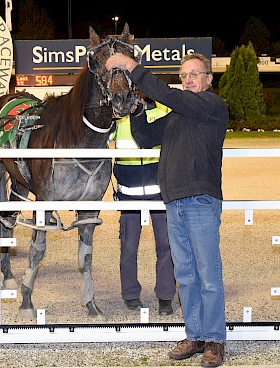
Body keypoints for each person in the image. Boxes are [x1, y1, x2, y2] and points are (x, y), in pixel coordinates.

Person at [106, 52, 228, 367]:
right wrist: (136, 111)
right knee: (185, 274)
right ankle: (195, 334)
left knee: (208, 275)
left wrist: (133, 68)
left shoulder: (212, 107)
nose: (188, 79)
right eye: (184, 74)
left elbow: (168, 95)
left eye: (194, 74)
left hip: (201, 200)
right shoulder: (176, 116)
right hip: (173, 202)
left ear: (208, 79)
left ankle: (215, 340)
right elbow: (145, 138)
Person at [112, 95, 176, 316]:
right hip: (128, 193)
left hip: (159, 192)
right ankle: (130, 295)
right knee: (128, 247)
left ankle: (166, 297)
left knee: (166, 246)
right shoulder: (119, 119)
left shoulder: (163, 111)